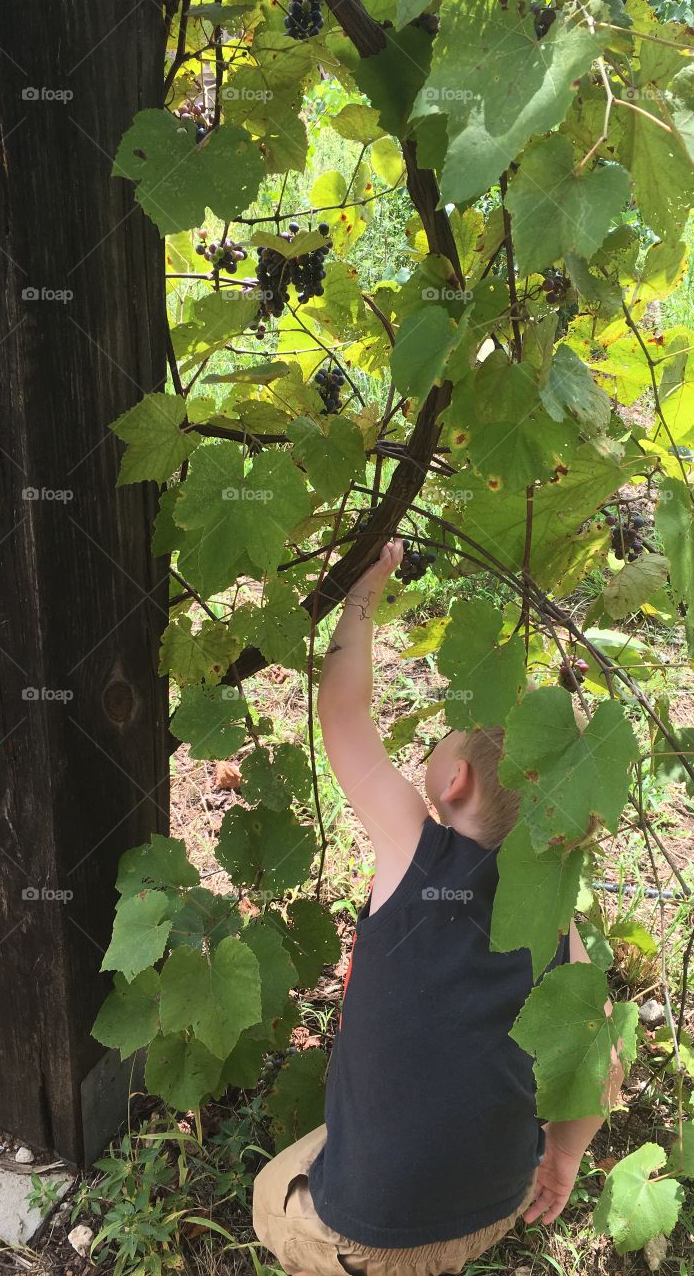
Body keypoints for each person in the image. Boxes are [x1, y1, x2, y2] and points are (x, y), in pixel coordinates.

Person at [252, 537, 625, 1276]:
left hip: (368, 1236)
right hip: (493, 1210)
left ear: (453, 780)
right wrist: (562, 1159)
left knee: (273, 1187)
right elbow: (600, 1066)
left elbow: (342, 716)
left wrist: (360, 599)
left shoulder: (414, 849)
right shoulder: (557, 920)